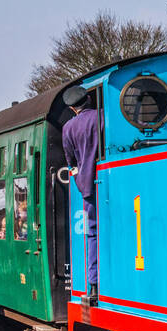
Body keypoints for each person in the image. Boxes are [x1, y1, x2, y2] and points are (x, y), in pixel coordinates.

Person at [61, 84, 101, 302]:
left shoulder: (68, 128)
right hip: (110, 178)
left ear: (72, 108)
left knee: (92, 233)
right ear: (88, 99)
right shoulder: (101, 117)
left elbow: (71, 162)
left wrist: (79, 179)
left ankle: (93, 283)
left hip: (87, 185)